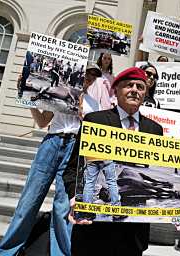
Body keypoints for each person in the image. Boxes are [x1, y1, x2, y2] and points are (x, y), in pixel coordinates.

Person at [63, 67, 163, 256]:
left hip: (132, 234)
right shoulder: (95, 121)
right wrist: (74, 197)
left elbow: (154, 176)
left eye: (140, 87)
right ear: (116, 91)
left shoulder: (154, 130)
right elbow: (72, 169)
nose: (135, 90)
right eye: (129, 85)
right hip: (93, 228)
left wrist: (171, 205)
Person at [0, 92, 81, 255]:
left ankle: (61, 253)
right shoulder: (63, 92)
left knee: (63, 207)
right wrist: (29, 97)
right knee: (29, 201)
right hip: (52, 142)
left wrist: (83, 109)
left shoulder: (95, 95)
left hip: (76, 146)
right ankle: (6, 252)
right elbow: (42, 122)